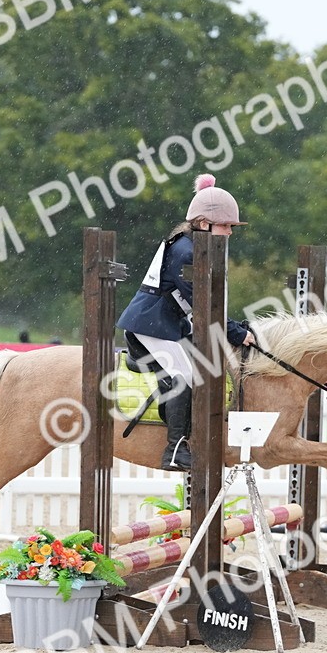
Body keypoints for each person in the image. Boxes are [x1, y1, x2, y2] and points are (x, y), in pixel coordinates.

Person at [116, 173, 254, 472]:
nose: (230, 233)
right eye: (226, 226)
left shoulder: (192, 247)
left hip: (167, 325)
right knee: (185, 375)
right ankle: (175, 450)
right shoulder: (186, 252)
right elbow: (202, 304)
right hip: (151, 327)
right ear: (204, 223)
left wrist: (236, 327)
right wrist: (236, 333)